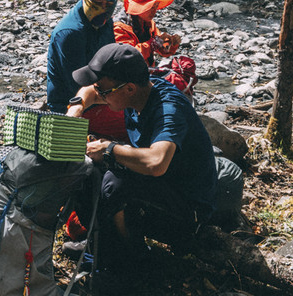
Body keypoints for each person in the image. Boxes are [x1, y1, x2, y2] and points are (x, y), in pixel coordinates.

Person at [75, 44, 218, 280]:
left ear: (129, 88)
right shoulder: (134, 93)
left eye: (104, 92)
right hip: (160, 188)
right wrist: (75, 109)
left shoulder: (168, 109)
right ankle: (101, 247)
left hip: (188, 212)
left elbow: (156, 162)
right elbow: (89, 91)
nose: (99, 96)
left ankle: (132, 267)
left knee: (114, 184)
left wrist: (109, 148)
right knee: (84, 172)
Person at [46, 0, 127, 139]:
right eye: (97, 4)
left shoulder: (105, 21)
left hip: (101, 91)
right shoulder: (70, 33)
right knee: (133, 121)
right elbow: (75, 86)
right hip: (73, 103)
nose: (102, 9)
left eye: (108, 4)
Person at [114, 0, 182, 65]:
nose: (154, 12)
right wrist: (154, 43)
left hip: (145, 72)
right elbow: (127, 57)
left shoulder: (148, 23)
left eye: (156, 6)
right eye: (150, 7)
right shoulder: (119, 28)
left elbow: (161, 50)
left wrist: (170, 43)